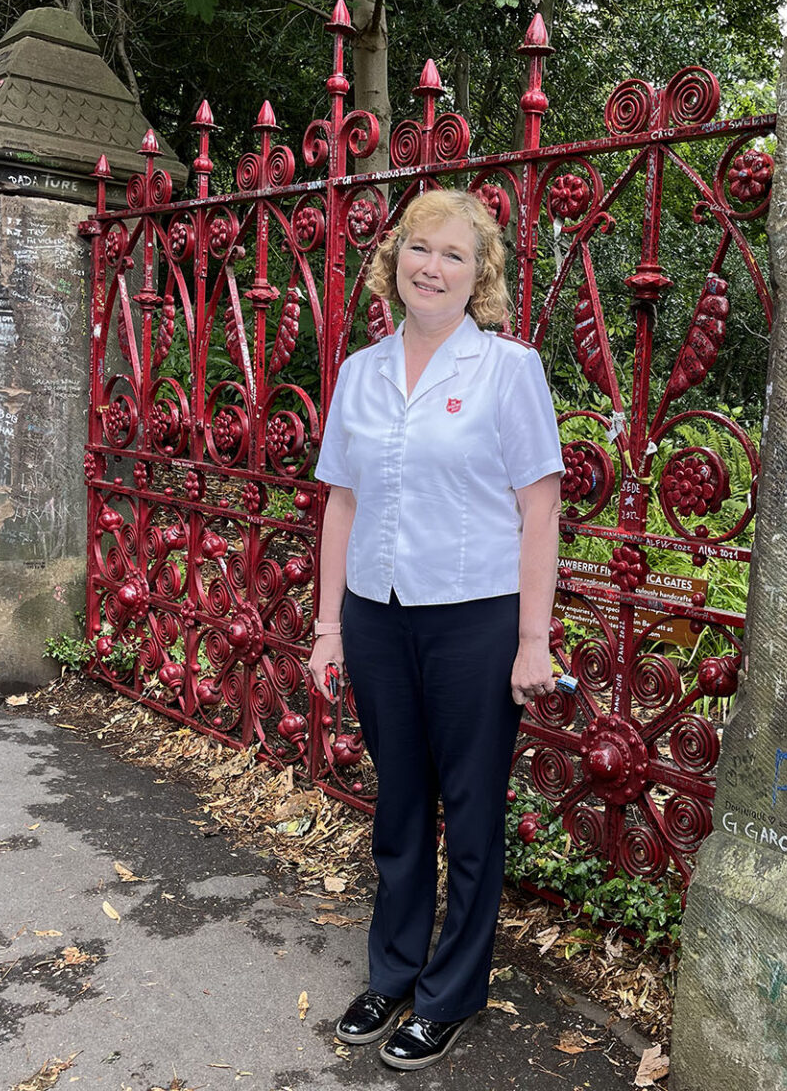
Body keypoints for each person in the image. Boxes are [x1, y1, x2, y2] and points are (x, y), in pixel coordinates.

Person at [306, 187, 564, 1071]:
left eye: (456, 255)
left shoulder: (508, 370)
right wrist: (328, 626)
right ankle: (394, 969)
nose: (434, 266)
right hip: (377, 617)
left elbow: (541, 511)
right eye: (422, 248)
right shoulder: (360, 374)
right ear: (395, 260)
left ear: (479, 275)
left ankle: (451, 993)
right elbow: (342, 502)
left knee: (474, 810)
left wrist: (534, 640)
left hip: (476, 621)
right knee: (401, 803)